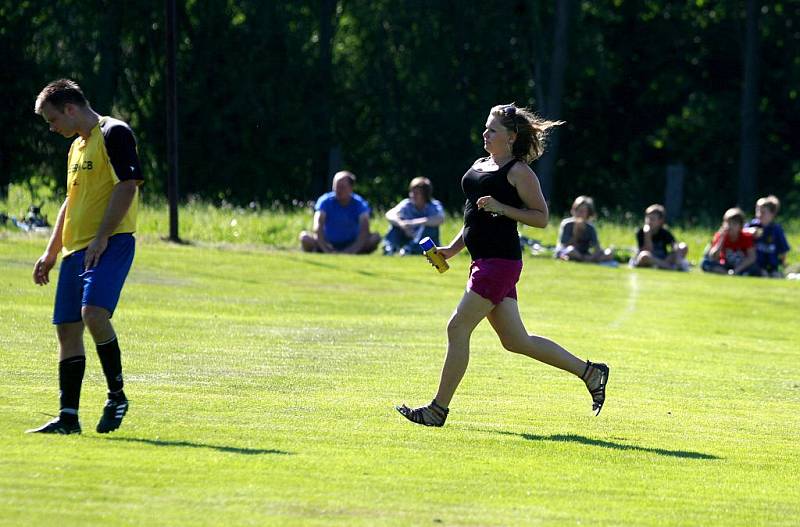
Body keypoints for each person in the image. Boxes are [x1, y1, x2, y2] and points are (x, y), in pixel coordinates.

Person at [396, 104, 610, 427]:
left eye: (492, 130)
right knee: (516, 341)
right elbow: (473, 217)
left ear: (510, 137)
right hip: (483, 261)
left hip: (500, 262)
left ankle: (437, 410)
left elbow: (541, 218)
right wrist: (451, 250)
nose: (485, 134)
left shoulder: (518, 172)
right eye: (486, 128)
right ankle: (590, 372)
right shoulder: (481, 164)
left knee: (457, 327)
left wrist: (502, 207)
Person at [27, 79, 143, 434]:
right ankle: (68, 417)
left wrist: (102, 236)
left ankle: (117, 395)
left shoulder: (114, 132)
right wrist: (51, 251)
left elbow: (128, 184)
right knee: (67, 328)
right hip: (76, 248)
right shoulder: (76, 147)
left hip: (110, 243)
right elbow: (70, 201)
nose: (52, 127)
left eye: (52, 119)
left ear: (70, 108)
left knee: (93, 314)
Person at [299, 171, 381, 254]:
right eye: (336, 186)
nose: (338, 190)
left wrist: (351, 250)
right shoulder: (325, 201)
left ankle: (356, 252)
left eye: (342, 187)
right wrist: (326, 249)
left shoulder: (359, 204)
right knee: (305, 237)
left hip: (352, 243)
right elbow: (318, 226)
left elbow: (365, 230)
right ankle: (321, 251)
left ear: (351, 188)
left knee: (375, 238)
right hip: (326, 243)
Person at [383, 176, 445, 255]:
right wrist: (402, 224)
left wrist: (414, 223)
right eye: (412, 192)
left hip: (424, 241)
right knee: (395, 225)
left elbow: (440, 219)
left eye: (416, 193)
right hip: (407, 237)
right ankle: (389, 248)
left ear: (425, 195)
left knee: (430, 228)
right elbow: (389, 214)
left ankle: (410, 250)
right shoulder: (406, 204)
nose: (412, 195)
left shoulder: (434, 206)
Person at [555, 196, 615, 263]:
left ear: (588, 213)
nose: (580, 214)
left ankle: (586, 259)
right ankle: (586, 260)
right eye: (578, 210)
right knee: (571, 250)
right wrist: (576, 233)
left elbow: (596, 247)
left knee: (609, 252)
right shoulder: (567, 224)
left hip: (584, 253)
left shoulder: (590, 227)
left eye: (583, 211)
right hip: (568, 251)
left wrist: (597, 253)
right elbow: (564, 245)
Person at [701, 207, 759, 276]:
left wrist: (737, 270)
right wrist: (721, 239)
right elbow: (713, 256)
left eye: (734, 224)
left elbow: (752, 257)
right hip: (725, 265)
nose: (730, 226)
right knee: (706, 263)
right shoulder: (720, 236)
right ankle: (726, 273)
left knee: (754, 269)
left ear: (740, 226)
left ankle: (736, 273)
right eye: (728, 223)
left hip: (741, 266)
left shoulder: (746, 237)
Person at [631, 204, 689, 271]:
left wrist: (676, 251)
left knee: (683, 246)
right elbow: (648, 250)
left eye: (652, 219)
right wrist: (647, 234)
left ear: (660, 221)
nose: (649, 221)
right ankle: (670, 267)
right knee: (645, 256)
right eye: (647, 218)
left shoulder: (664, 232)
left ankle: (672, 265)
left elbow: (674, 245)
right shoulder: (641, 232)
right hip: (647, 259)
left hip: (662, 258)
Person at [745, 195, 790, 277]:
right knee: (763, 274)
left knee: (776, 275)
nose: (759, 215)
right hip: (755, 265)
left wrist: (783, 264)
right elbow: (740, 233)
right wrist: (749, 233)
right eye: (757, 211)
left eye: (763, 212)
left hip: (772, 265)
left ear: (772, 214)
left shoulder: (776, 229)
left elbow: (783, 250)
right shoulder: (751, 225)